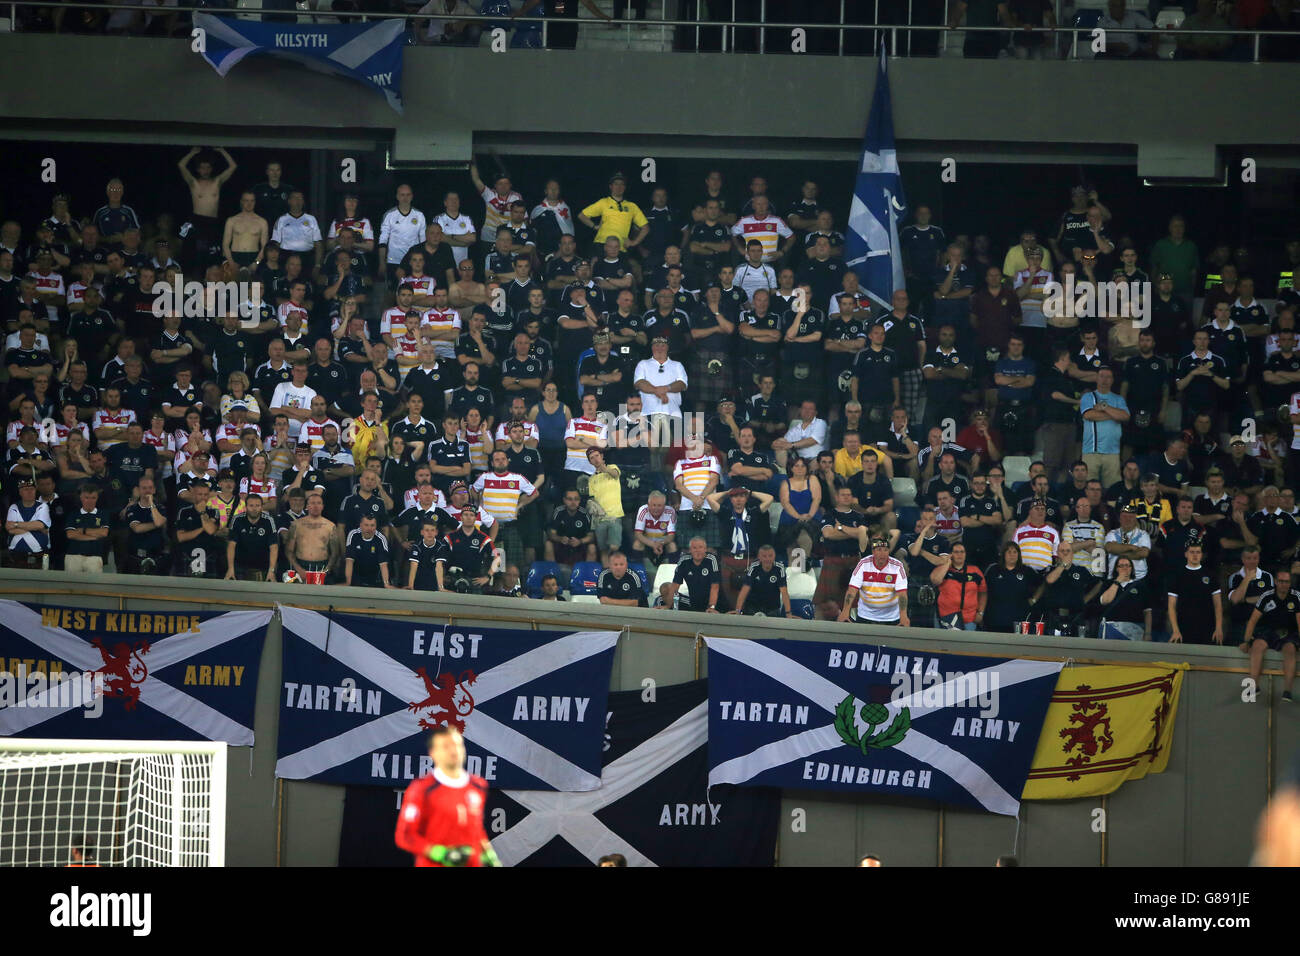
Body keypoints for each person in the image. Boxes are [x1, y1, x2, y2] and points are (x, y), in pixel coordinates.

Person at [394, 726, 499, 868]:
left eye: (457, 745)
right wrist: (440, 853)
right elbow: (405, 836)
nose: (453, 751)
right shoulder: (421, 789)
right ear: (433, 753)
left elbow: (475, 828)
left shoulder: (479, 785)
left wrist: (489, 855)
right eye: (445, 746)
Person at [1241, 568, 1300, 702]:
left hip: (1289, 633)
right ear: (1275, 582)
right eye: (1281, 581)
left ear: (1290, 583)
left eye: (1287, 581)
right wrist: (1245, 641)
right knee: (1256, 646)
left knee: (1290, 650)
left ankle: (1287, 691)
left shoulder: (1296, 597)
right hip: (1269, 631)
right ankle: (1254, 686)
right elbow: (1252, 621)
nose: (1284, 584)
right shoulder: (1266, 596)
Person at [837, 537, 910, 627]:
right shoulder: (863, 564)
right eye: (879, 550)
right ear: (873, 551)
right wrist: (845, 612)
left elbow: (902, 594)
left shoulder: (897, 566)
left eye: (886, 550)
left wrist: (903, 616)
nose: (882, 554)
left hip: (891, 618)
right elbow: (852, 590)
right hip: (865, 616)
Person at [1167, 542, 1223, 645]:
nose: (1195, 555)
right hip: (1184, 626)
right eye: (1192, 552)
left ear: (1202, 555)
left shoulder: (1210, 575)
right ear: (1186, 554)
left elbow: (1218, 605)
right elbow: (1171, 606)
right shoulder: (1177, 575)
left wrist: (1219, 628)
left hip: (1207, 626)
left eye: (1198, 552)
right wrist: (1175, 630)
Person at [982, 542, 1041, 633]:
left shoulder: (1026, 571)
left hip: (1019, 620)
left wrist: (1034, 599)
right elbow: (982, 590)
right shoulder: (993, 570)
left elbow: (1043, 584)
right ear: (1003, 554)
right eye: (1009, 552)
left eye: (1015, 552)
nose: (1012, 555)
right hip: (995, 619)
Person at [931, 542, 986, 630]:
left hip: (968, 619)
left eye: (962, 552)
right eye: (956, 552)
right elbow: (935, 581)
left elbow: (983, 592)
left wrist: (981, 612)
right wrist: (947, 564)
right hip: (945, 617)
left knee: (967, 644)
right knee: (942, 644)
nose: (959, 554)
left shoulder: (975, 571)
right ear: (951, 554)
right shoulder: (943, 569)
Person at [1098, 555, 1151, 641]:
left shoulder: (1140, 586)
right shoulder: (1108, 584)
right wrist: (1117, 581)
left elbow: (1147, 612)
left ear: (1131, 568)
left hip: (1135, 629)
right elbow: (1105, 601)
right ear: (1116, 568)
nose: (1124, 568)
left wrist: (1148, 633)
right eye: (1121, 566)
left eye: (1127, 565)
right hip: (1111, 629)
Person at [662, 536, 721, 613]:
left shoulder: (712, 560)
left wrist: (712, 607)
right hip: (693, 602)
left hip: (715, 603)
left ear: (705, 549)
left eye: (700, 547)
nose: (698, 550)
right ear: (690, 550)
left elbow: (715, 587)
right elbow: (675, 585)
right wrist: (668, 606)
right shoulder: (684, 561)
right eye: (694, 548)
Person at [730, 544, 790, 617]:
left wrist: (788, 613)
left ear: (774, 556)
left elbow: (784, 593)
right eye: (764, 556)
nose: (768, 559)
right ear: (759, 557)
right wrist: (738, 610)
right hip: (753, 608)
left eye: (770, 556)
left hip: (772, 609)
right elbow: (744, 590)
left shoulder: (780, 568)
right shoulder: (754, 567)